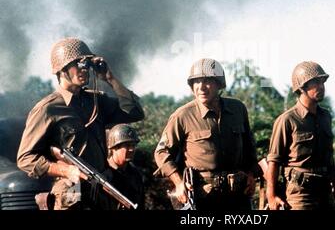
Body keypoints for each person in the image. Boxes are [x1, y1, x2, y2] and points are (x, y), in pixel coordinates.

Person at [17, 37, 145, 210]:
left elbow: (135, 112)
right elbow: (25, 159)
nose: (84, 69)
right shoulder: (47, 109)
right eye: (78, 64)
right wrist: (66, 170)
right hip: (71, 186)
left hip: (101, 184)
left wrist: (110, 78)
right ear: (62, 69)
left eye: (86, 64)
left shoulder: (96, 100)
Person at [154, 58, 260, 210]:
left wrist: (250, 174)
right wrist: (178, 183)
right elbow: (161, 152)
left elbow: (249, 146)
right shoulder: (182, 115)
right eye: (196, 82)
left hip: (237, 196)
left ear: (219, 84)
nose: (201, 87)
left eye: (207, 81)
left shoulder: (238, 109)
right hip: (204, 198)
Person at [266, 61, 335, 210]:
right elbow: (273, 161)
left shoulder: (325, 117)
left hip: (325, 191)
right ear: (302, 87)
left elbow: (329, 158)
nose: (321, 87)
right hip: (300, 195)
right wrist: (271, 196)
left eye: (322, 82)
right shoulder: (287, 120)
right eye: (315, 83)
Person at [103, 123, 145, 210]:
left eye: (133, 145)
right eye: (127, 145)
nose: (132, 149)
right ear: (114, 148)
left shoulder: (135, 174)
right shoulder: (102, 173)